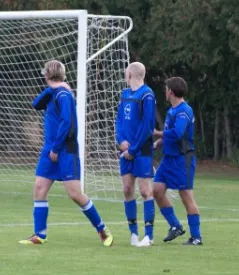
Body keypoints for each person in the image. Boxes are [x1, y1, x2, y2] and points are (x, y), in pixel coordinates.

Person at [19, 60, 114, 246]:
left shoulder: (63, 95)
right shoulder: (55, 92)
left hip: (64, 149)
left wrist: (56, 148)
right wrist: (52, 87)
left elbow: (67, 123)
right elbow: (36, 104)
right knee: (39, 188)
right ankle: (40, 235)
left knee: (75, 195)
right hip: (50, 149)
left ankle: (102, 229)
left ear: (47, 75)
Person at [153, 76, 203, 245]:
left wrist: (157, 133)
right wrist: (158, 143)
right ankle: (175, 226)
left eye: (166, 89)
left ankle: (196, 237)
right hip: (168, 159)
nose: (165, 92)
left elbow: (177, 133)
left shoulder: (183, 111)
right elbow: (170, 135)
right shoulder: (172, 111)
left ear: (171, 92)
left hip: (183, 160)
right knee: (157, 191)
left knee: (186, 196)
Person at [115, 62, 156, 247]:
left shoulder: (147, 95)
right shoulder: (125, 95)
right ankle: (133, 234)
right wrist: (121, 141)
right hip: (126, 150)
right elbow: (119, 121)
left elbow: (147, 126)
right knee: (127, 190)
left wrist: (133, 149)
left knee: (145, 191)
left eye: (126, 72)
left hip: (142, 151)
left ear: (130, 74)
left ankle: (148, 236)